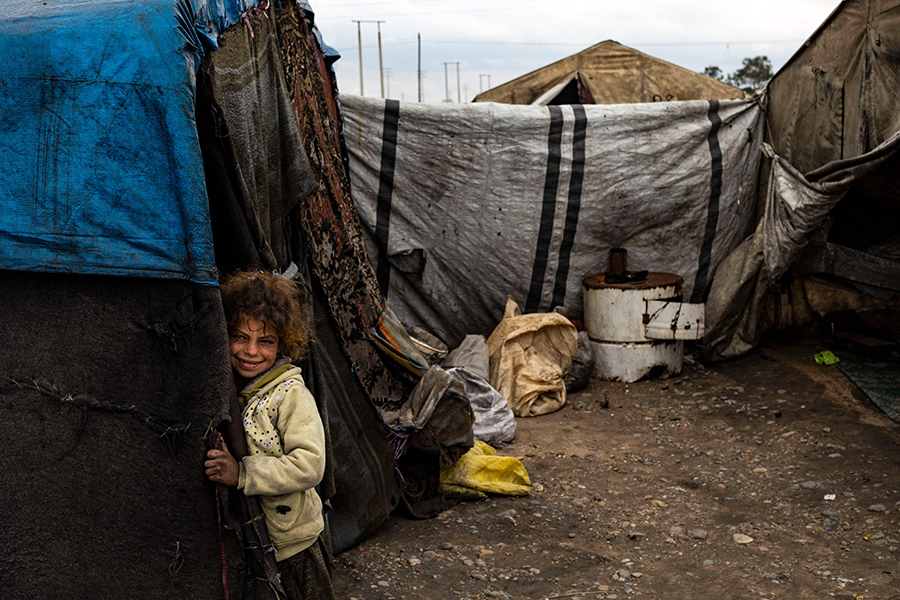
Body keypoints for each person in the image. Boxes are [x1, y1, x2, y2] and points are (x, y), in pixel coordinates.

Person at [205, 270, 335, 599]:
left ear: (281, 344)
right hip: (250, 536)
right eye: (239, 337)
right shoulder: (229, 389)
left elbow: (310, 464)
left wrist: (243, 473)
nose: (251, 351)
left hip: (294, 540)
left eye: (265, 341)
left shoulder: (289, 394)